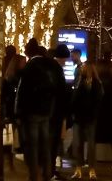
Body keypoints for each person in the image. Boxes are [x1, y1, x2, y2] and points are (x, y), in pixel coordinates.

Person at [15, 38, 58, 181]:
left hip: (32, 111)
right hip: (46, 110)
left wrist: (18, 112)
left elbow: (22, 91)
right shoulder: (50, 65)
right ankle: (47, 172)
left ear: (28, 52)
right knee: (45, 143)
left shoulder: (30, 67)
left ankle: (34, 175)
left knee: (32, 145)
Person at [71, 61, 103, 179]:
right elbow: (75, 99)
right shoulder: (80, 82)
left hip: (88, 117)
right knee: (79, 143)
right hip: (81, 117)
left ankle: (90, 169)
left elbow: (98, 100)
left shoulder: (96, 84)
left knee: (89, 145)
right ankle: (79, 168)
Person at [48, 44, 71, 177]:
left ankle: (50, 169)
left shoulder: (52, 69)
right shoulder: (57, 70)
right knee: (53, 142)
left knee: (53, 142)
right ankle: (50, 170)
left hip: (53, 111)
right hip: (55, 112)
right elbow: (60, 92)